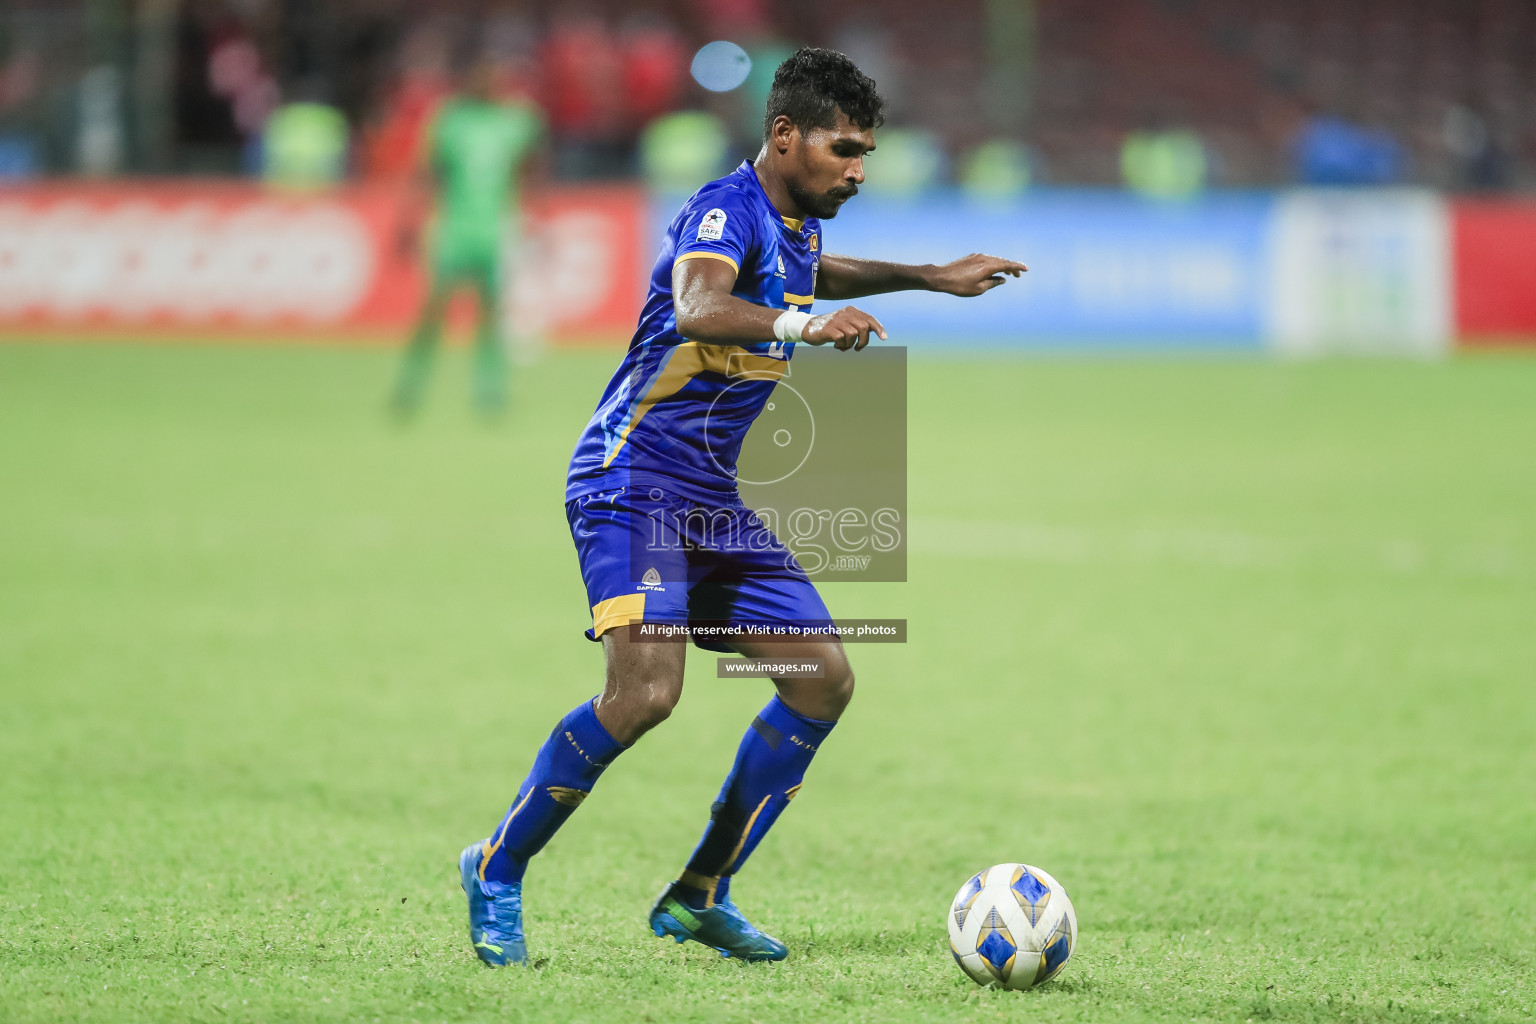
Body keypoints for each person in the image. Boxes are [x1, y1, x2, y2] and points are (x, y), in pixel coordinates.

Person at [458, 47, 1026, 966]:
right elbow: (697, 305)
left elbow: (814, 271)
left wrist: (928, 276)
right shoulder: (726, 209)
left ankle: (698, 894)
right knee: (645, 696)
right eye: (845, 149)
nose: (859, 168)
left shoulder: (793, 223)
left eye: (866, 152)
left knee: (823, 677)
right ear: (784, 136)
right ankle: (495, 865)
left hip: (710, 501)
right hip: (631, 480)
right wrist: (801, 326)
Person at [390, 56, 543, 416]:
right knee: (433, 312)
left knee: (491, 316)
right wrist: (408, 220)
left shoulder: (517, 122)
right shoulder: (451, 120)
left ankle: (489, 392)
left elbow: (530, 174)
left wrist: (538, 220)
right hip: (455, 230)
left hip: (495, 231)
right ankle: (410, 385)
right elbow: (429, 172)